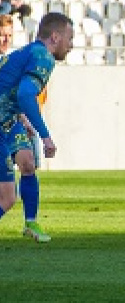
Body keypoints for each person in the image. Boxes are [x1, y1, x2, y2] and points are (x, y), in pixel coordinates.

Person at [0, 12, 73, 238]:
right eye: (69, 38)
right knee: (7, 197)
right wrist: (45, 136)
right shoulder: (43, 57)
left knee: (28, 162)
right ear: (55, 37)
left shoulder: (28, 52)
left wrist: (22, 117)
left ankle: (30, 223)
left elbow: (10, 90)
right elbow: (25, 94)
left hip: (8, 120)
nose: (71, 45)